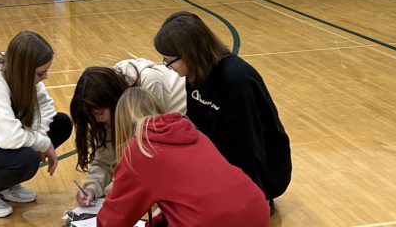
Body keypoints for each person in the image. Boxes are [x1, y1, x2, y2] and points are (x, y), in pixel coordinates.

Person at [153, 11, 291, 212]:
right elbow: (197, 133)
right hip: (225, 164)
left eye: (170, 61)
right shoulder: (195, 74)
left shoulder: (236, 80)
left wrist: (251, 200)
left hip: (262, 173)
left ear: (190, 53)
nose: (168, 67)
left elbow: (249, 146)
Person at [95, 88, 270, 227]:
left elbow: (115, 219)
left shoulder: (140, 148)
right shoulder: (192, 131)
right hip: (256, 209)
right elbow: (198, 190)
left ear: (122, 123)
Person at [0, 31, 73, 219]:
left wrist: (41, 137)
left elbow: (46, 108)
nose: (46, 77)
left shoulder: (22, 73)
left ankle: (6, 185)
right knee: (27, 159)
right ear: (25, 69)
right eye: (41, 73)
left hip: (1, 141)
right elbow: (10, 137)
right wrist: (43, 143)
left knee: (61, 123)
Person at [71, 58, 186, 206]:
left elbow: (154, 153)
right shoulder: (106, 104)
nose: (97, 120)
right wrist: (92, 188)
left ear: (112, 101)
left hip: (190, 124)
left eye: (99, 113)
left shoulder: (148, 85)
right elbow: (105, 160)